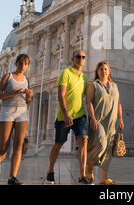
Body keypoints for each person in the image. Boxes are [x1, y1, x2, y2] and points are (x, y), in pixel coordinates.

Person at [46, 50, 90, 185]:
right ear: (73, 58)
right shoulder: (66, 73)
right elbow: (60, 95)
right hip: (64, 116)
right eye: (78, 57)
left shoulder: (84, 77)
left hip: (80, 115)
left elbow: (88, 97)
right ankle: (50, 170)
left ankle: (82, 175)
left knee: (83, 141)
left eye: (83, 57)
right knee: (58, 143)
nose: (81, 59)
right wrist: (65, 114)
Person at [0, 53, 33, 185]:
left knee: (18, 145)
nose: (23, 66)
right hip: (8, 112)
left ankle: (12, 177)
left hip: (22, 113)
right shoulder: (8, 76)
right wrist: (15, 93)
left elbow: (27, 102)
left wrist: (29, 96)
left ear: (28, 66)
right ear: (16, 63)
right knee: (4, 147)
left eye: (26, 64)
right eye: (20, 63)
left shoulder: (27, 80)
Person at [86, 61, 124, 185]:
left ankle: (103, 178)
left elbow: (118, 103)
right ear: (97, 72)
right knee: (101, 144)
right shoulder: (94, 85)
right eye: (101, 69)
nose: (103, 71)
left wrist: (121, 118)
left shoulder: (115, 86)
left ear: (109, 71)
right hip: (98, 120)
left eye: (105, 69)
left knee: (108, 149)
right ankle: (89, 168)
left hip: (112, 121)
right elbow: (89, 102)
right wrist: (92, 118)